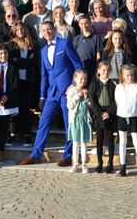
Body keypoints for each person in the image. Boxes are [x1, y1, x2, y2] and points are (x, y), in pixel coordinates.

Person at [17, 21, 83, 166]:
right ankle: (35, 155)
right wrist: (42, 96)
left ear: (54, 29)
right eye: (44, 30)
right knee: (43, 123)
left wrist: (73, 86)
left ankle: (68, 156)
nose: (47, 32)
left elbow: (78, 66)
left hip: (67, 92)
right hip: (51, 93)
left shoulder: (65, 44)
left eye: (49, 29)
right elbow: (44, 76)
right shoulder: (42, 51)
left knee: (69, 124)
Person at [7, 22, 39, 146]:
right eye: (17, 29)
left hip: (28, 81)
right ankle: (12, 135)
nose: (20, 31)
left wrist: (19, 61)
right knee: (14, 108)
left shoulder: (33, 45)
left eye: (22, 29)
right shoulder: (11, 45)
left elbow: (33, 63)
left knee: (26, 109)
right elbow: (11, 62)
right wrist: (25, 62)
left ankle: (26, 135)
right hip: (15, 81)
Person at [115, 64, 137, 177]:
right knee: (122, 142)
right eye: (127, 75)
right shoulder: (119, 87)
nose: (130, 77)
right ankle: (122, 167)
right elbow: (117, 101)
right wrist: (122, 112)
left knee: (136, 142)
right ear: (123, 76)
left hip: (134, 117)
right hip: (122, 117)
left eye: (132, 75)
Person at [88, 61, 117, 173]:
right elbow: (93, 100)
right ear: (98, 71)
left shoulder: (113, 84)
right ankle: (99, 162)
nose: (105, 72)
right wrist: (100, 113)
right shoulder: (94, 84)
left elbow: (116, 100)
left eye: (107, 70)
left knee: (110, 139)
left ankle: (110, 162)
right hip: (99, 114)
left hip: (109, 114)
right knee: (99, 140)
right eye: (103, 70)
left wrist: (109, 112)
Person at [66, 69, 93, 174]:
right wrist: (78, 96)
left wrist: (86, 98)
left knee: (84, 143)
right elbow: (69, 106)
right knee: (76, 143)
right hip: (75, 120)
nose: (83, 81)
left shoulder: (87, 90)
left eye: (85, 79)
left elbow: (90, 106)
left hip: (84, 119)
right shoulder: (72, 91)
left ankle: (84, 164)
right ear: (75, 79)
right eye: (81, 78)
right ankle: (75, 164)